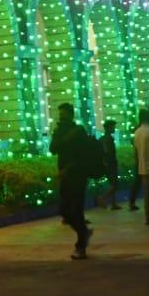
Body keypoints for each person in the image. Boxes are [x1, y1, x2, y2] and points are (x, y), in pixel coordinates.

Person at [49, 102, 92, 258]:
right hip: (65, 176)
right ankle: (84, 233)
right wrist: (62, 137)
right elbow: (53, 149)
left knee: (76, 212)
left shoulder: (79, 131)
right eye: (60, 115)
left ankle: (81, 246)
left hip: (78, 175)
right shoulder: (60, 131)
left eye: (64, 115)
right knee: (65, 212)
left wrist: (68, 167)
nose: (61, 118)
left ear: (71, 114)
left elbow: (83, 155)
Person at [97, 120, 121, 210]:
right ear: (109, 127)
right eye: (113, 127)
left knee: (112, 183)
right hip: (110, 163)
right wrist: (110, 161)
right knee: (115, 185)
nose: (114, 129)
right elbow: (109, 152)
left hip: (106, 163)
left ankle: (114, 203)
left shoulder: (102, 138)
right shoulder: (109, 139)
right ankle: (103, 198)